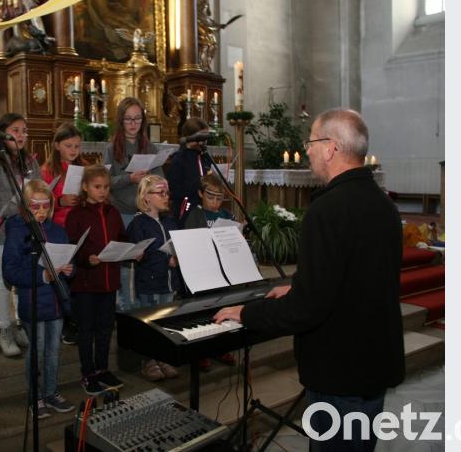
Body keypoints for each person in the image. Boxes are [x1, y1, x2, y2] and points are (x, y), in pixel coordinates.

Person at [214, 109, 405, 452]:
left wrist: (247, 313)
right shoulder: (383, 204)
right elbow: (359, 273)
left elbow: (308, 309)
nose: (307, 151)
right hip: (373, 363)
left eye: (311, 142)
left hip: (340, 371)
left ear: (331, 148)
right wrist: (301, 282)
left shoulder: (328, 209)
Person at [2, 179, 77, 419]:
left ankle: (51, 392)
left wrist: (69, 270)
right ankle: (35, 395)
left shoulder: (57, 230)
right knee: (37, 350)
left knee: (54, 351)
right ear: (25, 207)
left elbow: (69, 262)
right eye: (36, 206)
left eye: (46, 206)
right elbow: (10, 272)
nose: (42, 212)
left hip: (56, 302)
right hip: (33, 301)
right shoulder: (17, 232)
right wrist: (42, 275)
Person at [0, 113, 42, 357]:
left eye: (24, 131)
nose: (21, 135)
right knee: (4, 281)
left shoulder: (30, 161)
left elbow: (37, 189)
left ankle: (19, 324)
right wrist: (18, 209)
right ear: (3, 133)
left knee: (24, 279)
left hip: (28, 229)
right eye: (16, 130)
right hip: (5, 229)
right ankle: (4, 329)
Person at [65, 165, 132, 395]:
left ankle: (102, 369)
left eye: (105, 187)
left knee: (105, 328)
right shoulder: (77, 214)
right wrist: (86, 258)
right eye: (97, 187)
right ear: (85, 187)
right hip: (85, 283)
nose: (102, 191)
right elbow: (71, 246)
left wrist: (130, 250)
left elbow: (122, 238)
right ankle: (88, 373)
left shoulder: (112, 212)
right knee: (87, 330)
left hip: (109, 281)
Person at [102, 97, 163, 311]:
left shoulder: (150, 147)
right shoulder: (111, 148)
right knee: (126, 264)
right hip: (122, 212)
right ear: (121, 121)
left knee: (146, 260)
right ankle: (125, 305)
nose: (133, 123)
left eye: (137, 118)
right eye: (128, 119)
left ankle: (145, 305)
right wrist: (130, 178)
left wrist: (150, 181)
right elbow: (105, 182)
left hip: (145, 213)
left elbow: (160, 178)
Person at [126, 175, 180, 381]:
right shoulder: (138, 224)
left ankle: (163, 357)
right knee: (149, 324)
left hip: (168, 282)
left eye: (167, 193)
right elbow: (140, 254)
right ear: (146, 197)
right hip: (148, 282)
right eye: (161, 193)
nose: (166, 197)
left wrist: (177, 257)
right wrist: (163, 259)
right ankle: (148, 361)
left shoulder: (170, 221)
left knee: (165, 321)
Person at [183, 172, 238, 372]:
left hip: (222, 273)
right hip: (202, 272)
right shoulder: (195, 215)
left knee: (223, 310)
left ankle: (221, 348)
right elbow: (189, 241)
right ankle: (202, 352)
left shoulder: (226, 216)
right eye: (210, 197)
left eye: (219, 198)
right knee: (204, 313)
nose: (215, 202)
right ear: (200, 194)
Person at [40, 122, 85, 345]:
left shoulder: (83, 166)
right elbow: (40, 202)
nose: (74, 150)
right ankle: (67, 321)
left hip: (79, 226)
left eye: (77, 146)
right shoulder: (48, 170)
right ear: (57, 146)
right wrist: (60, 201)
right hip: (58, 229)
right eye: (69, 145)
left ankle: (78, 317)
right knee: (62, 276)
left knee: (78, 274)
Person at [167, 117, 212, 226]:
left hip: (203, 207)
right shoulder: (179, 158)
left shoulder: (203, 156)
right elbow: (174, 190)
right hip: (186, 209)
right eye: (201, 137)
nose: (204, 141)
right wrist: (199, 183)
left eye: (206, 137)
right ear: (190, 137)